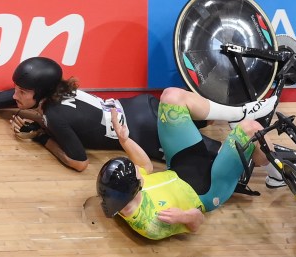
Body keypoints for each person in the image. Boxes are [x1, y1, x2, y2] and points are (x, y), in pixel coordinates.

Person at [0, 56, 277, 175]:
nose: (13, 95)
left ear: (41, 94)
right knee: (178, 99)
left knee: (244, 158)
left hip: (156, 139)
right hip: (144, 106)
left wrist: (42, 138)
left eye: (20, 91)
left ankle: (278, 162)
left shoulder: (54, 117)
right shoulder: (55, 91)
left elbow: (79, 162)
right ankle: (239, 114)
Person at [97, 96, 270, 240]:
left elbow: (145, 166)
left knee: (172, 98)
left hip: (180, 168)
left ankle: (238, 112)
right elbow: (197, 222)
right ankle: (275, 168)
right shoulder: (151, 223)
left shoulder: (119, 196)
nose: (136, 167)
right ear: (134, 186)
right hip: (208, 189)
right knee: (251, 129)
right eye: (135, 171)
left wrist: (124, 141)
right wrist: (185, 216)